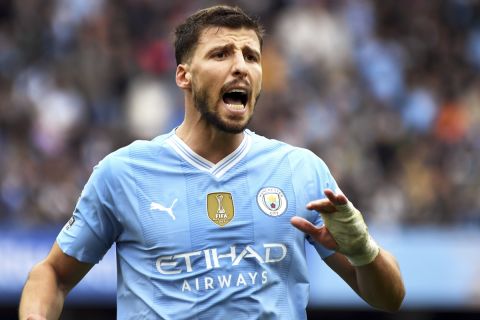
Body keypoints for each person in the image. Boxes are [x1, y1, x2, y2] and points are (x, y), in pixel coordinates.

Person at [19, 5, 405, 320]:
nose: (240, 66)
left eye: (251, 56)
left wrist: (363, 251)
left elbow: (390, 299)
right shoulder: (123, 173)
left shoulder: (300, 170)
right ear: (183, 76)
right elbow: (52, 274)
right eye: (221, 54)